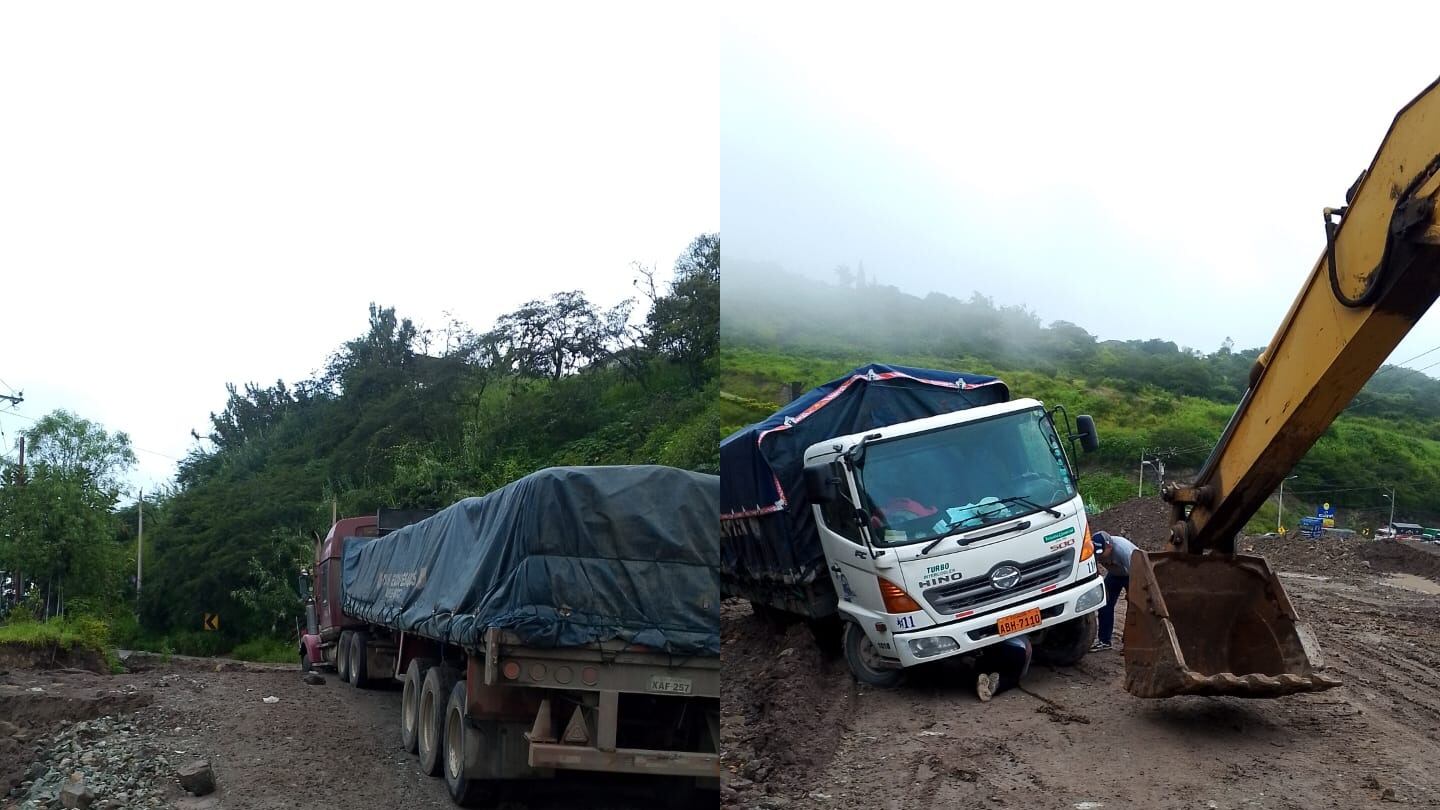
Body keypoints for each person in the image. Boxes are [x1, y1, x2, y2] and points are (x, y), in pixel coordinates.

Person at [1090, 530, 1138, 652]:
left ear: (1110, 546)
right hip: (1115, 574)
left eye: (1101, 553)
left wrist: (1133, 592)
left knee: (1134, 608)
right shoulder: (1093, 550)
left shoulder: (1123, 551)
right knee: (1104, 603)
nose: (1099, 557)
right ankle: (1104, 641)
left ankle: (1130, 644)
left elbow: (1137, 573)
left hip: (1133, 574)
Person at [971, 635, 1032, 702]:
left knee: (983, 668)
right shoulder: (1025, 640)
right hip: (1016, 651)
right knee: (1013, 679)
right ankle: (998, 684)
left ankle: (979, 679)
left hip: (993, 648)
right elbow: (1023, 672)